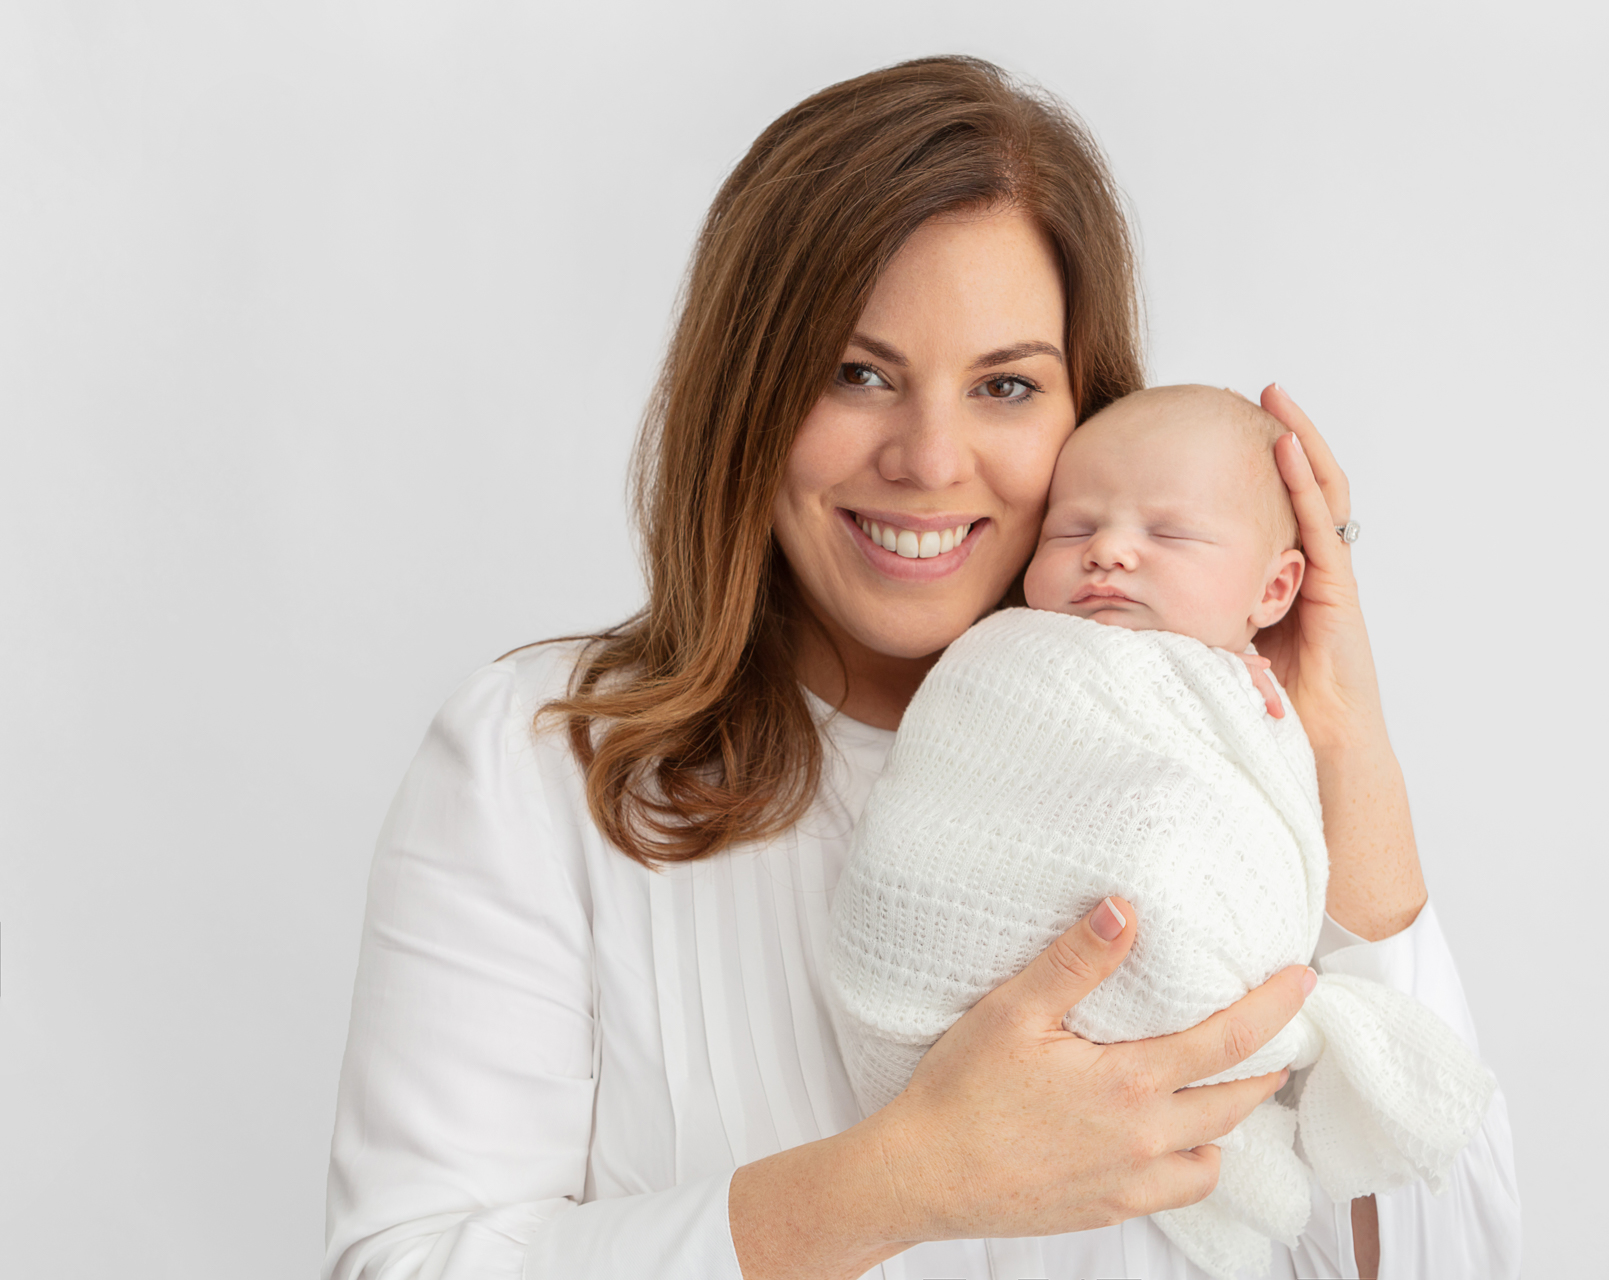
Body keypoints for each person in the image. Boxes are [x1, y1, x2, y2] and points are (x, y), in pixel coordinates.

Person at [323, 56, 1521, 1280]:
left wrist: (1348, 764)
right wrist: (902, 1180)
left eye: (1005, 384)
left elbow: (1450, 1256)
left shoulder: (1225, 772)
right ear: (747, 392)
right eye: (858, 373)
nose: (931, 457)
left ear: (1084, 412)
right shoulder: (542, 764)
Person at [828, 385, 1499, 1280]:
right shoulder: (1007, 663)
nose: (1107, 550)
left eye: (1169, 535)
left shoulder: (1263, 706)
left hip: (1203, 1013)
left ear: (1275, 588)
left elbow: (1457, 1258)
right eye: (1072, 532)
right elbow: (955, 805)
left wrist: (1332, 732)